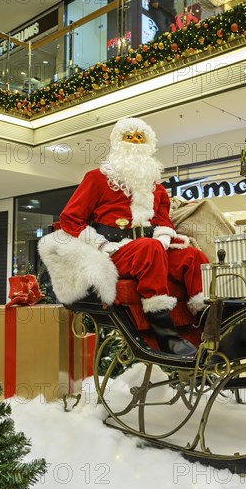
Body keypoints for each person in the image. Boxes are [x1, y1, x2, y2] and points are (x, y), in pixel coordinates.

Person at [57, 117, 209, 357]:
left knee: (192, 255)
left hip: (151, 247)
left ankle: (208, 322)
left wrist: (164, 237)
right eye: (130, 137)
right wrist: (100, 244)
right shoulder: (96, 178)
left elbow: (163, 220)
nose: (136, 142)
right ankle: (165, 334)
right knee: (149, 249)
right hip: (114, 250)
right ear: (118, 142)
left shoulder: (156, 187)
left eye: (141, 138)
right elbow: (69, 219)